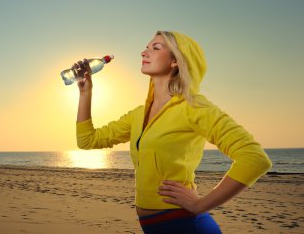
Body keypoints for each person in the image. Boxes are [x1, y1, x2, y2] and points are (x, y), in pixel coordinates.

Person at [74, 31, 272, 234]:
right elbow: (88, 140)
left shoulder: (194, 106)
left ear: (176, 61)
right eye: (146, 47)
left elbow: (254, 159)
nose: (144, 52)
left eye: (156, 48)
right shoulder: (138, 115)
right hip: (153, 227)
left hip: (185, 224)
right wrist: (85, 92)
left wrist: (200, 204)